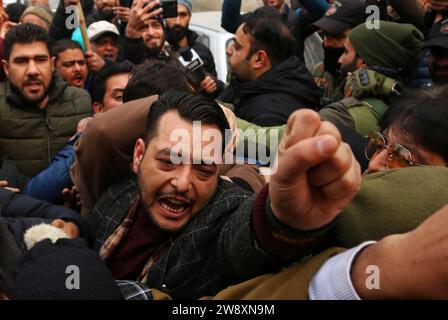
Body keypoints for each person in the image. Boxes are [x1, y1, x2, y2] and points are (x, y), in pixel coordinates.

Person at [79, 91, 360, 300]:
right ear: (139, 155)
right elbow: (102, 133)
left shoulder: (223, 210)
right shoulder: (116, 194)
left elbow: (243, 237)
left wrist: (283, 219)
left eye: (203, 169)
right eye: (168, 161)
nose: (182, 182)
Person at [0, 24, 92, 178]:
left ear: (51, 64)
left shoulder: (80, 100)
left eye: (40, 60)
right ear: (6, 68)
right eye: (21, 61)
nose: (32, 70)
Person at [319, 20, 424, 136]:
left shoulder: (341, 114)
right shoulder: (401, 107)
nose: (340, 60)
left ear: (363, 63)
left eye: (346, 52)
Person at [219, 7, 320, 126]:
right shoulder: (251, 83)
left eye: (237, 47)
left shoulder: (267, 118)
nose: (228, 50)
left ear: (259, 59)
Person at [164, 0, 220, 96]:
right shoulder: (158, 51)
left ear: (189, 17)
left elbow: (218, 88)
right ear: (164, 17)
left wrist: (212, 84)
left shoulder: (203, 51)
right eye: (172, 15)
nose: (177, 21)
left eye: (183, 15)